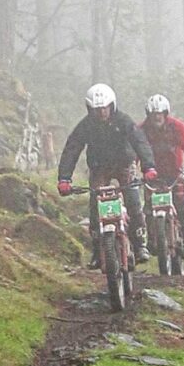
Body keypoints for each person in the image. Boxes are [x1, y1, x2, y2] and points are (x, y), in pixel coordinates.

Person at [57, 82, 153, 262]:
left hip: (124, 165)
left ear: (112, 105)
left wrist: (148, 167)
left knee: (133, 201)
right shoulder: (85, 126)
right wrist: (64, 179)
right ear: (90, 109)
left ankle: (140, 244)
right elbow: (72, 149)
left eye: (105, 108)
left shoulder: (123, 121)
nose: (102, 112)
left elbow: (140, 141)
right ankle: (97, 250)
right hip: (99, 167)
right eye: (97, 109)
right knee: (96, 205)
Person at [141, 94, 184, 251]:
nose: (157, 117)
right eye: (154, 114)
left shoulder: (178, 127)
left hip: (175, 174)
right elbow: (135, 150)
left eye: (160, 113)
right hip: (151, 176)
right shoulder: (141, 129)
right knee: (149, 208)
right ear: (148, 114)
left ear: (166, 113)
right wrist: (134, 169)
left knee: (183, 203)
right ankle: (152, 240)